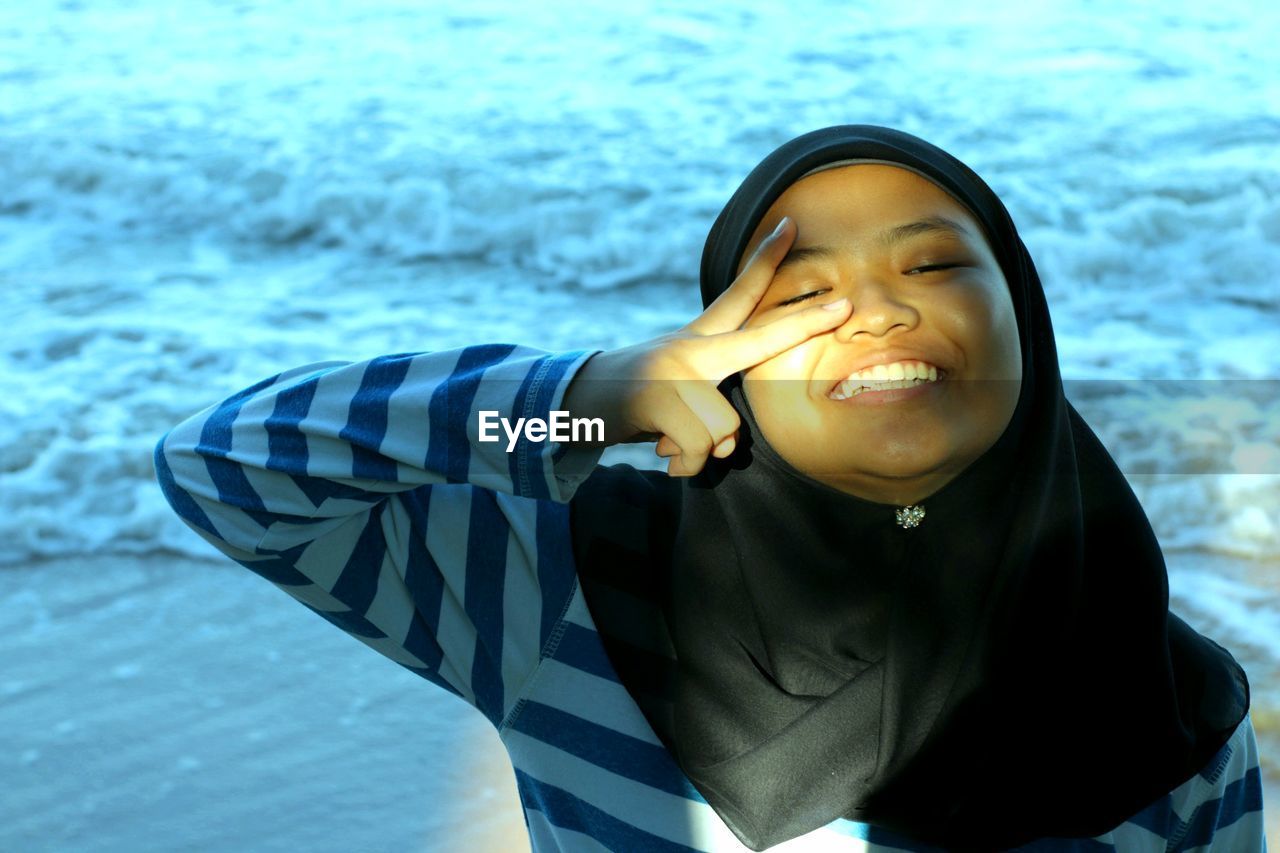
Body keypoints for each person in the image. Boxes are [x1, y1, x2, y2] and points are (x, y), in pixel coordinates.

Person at [154, 125, 1267, 851]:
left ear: (1025, 316)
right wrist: (583, 401)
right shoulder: (564, 587)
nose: (873, 312)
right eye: (799, 291)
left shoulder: (1169, 695)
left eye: (929, 265)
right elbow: (227, 464)